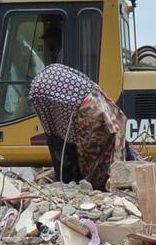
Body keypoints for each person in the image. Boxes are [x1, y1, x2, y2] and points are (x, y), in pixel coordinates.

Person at [29, 62, 132, 190]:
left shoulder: (85, 113)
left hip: (94, 117)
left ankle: (101, 186)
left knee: (95, 160)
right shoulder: (76, 97)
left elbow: (72, 144)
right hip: (102, 113)